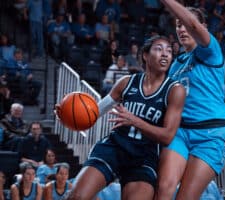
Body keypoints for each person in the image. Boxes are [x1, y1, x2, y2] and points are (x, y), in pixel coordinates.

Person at [59, 35, 186, 200]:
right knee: (76, 197)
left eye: (169, 51)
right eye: (159, 49)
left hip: (144, 156)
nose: (165, 54)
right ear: (145, 56)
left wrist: (135, 121)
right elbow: (94, 113)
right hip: (115, 147)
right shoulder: (126, 82)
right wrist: (67, 115)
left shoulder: (175, 90)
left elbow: (167, 136)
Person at [155, 1, 225, 199]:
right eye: (178, 25)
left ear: (203, 28)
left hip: (210, 135)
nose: (182, 28)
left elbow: (193, 25)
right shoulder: (176, 64)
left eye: (185, 24)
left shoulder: (211, 51)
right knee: (164, 188)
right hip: (180, 132)